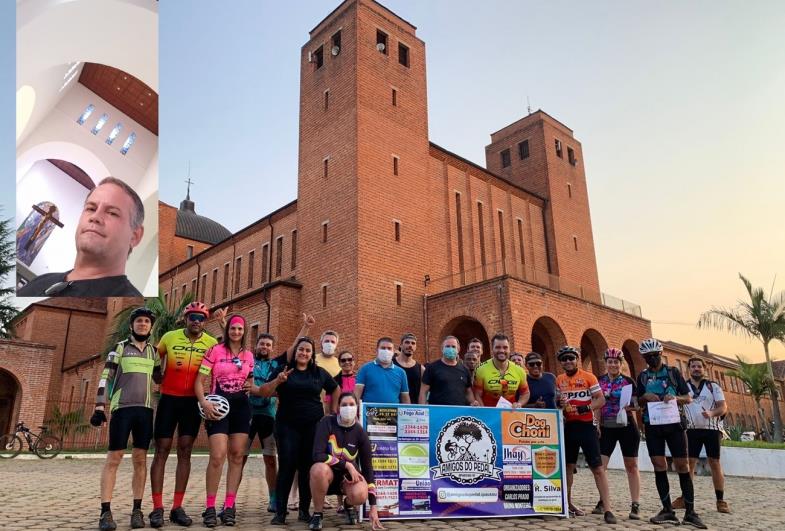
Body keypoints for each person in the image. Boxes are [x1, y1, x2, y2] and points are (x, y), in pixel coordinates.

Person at [90, 307, 160, 530]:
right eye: (139, 321)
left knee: (140, 459)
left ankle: (137, 510)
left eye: (146, 322)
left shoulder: (154, 352)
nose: (142, 324)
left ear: (150, 327)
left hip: (145, 410)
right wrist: (100, 407)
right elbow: (105, 377)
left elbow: (160, 378)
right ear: (132, 325)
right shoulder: (119, 348)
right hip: (122, 409)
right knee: (114, 458)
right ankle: (105, 512)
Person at [258, 337, 340, 525]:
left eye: (308, 351)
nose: (303, 353)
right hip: (287, 425)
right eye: (300, 349)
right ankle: (280, 512)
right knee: (287, 465)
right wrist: (278, 381)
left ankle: (304, 510)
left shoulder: (319, 373)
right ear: (295, 352)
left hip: (313, 426)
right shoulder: (284, 370)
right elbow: (264, 391)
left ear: (312, 355)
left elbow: (335, 390)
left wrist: (331, 412)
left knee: (306, 468)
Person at [149, 301, 217, 528]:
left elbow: (218, 373)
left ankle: (177, 507)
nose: (196, 321)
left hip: (192, 403)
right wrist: (157, 371)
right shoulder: (169, 337)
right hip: (169, 399)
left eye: (201, 318)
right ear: (185, 319)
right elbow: (152, 359)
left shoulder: (211, 342)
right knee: (162, 449)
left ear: (205, 322)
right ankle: (157, 508)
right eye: (193, 317)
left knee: (185, 450)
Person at [17, 177, 145, 296]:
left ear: (135, 236)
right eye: (91, 208)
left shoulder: (132, 303)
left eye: (112, 213)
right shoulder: (41, 281)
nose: (95, 217)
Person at [636, 339, 706, 528]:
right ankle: (667, 510)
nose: (652, 359)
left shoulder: (673, 373)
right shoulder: (642, 377)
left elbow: (688, 398)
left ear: (661, 354)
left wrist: (675, 398)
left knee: (682, 465)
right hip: (653, 424)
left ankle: (690, 511)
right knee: (658, 464)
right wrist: (644, 398)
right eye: (648, 357)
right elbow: (637, 401)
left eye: (655, 355)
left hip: (674, 424)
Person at [195, 315, 256, 527]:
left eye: (240, 329)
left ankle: (229, 506)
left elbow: (250, 379)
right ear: (227, 329)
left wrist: (251, 385)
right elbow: (199, 381)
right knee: (217, 456)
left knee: (237, 456)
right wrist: (203, 402)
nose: (236, 332)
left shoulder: (249, 355)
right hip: (218, 407)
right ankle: (210, 507)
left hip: (241, 408)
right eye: (233, 328)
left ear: (244, 331)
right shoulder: (215, 350)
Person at [555, 345, 616, 524]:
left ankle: (608, 509)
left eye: (571, 358)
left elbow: (601, 399)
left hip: (587, 427)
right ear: (561, 362)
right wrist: (560, 403)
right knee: (568, 468)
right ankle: (566, 504)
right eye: (564, 359)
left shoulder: (589, 377)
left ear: (577, 359)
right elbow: (559, 403)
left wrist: (586, 407)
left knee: (597, 468)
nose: (568, 361)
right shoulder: (559, 380)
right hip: (569, 427)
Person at [308, 392, 384, 531]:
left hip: (348, 480)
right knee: (318, 469)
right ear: (337, 408)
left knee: (361, 493)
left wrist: (373, 507)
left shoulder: (360, 432)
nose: (348, 408)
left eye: (351, 404)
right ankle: (318, 513)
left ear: (357, 408)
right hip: (326, 476)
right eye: (344, 405)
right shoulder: (327, 423)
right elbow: (317, 455)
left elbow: (368, 469)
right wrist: (347, 464)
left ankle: (348, 505)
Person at [674, 357, 729, 513]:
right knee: (689, 463)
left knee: (714, 462)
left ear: (704, 369)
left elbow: (723, 407)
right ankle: (686, 498)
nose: (696, 369)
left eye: (699, 366)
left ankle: (720, 500)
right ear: (688, 369)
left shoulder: (713, 387)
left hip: (712, 429)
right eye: (693, 366)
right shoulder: (683, 387)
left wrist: (712, 413)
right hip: (692, 429)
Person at [593, 348, 641, 520]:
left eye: (616, 362)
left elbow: (637, 404)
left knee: (631, 466)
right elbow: (596, 404)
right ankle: (603, 500)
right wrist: (596, 424)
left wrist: (629, 406)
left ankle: (635, 504)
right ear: (606, 364)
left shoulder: (628, 381)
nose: (613, 365)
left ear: (621, 364)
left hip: (626, 426)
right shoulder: (598, 381)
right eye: (610, 362)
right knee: (601, 467)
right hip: (607, 427)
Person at [245, 333, 282, 514]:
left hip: (269, 416)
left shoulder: (276, 365)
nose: (264, 347)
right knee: (239, 458)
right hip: (247, 415)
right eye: (262, 344)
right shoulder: (248, 360)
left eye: (268, 344)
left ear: (272, 348)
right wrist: (265, 391)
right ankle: (230, 501)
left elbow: (278, 390)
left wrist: (258, 390)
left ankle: (273, 498)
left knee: (270, 459)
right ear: (256, 345)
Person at [473, 333, 530, 407]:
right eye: (498, 347)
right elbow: (477, 394)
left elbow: (525, 393)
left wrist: (519, 403)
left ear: (509, 349)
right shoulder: (481, 369)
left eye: (505, 347)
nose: (502, 350)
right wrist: (484, 411)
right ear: (492, 349)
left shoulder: (519, 370)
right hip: (489, 415)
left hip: (510, 414)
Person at [419, 336, 478, 406]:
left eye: (453, 347)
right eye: (447, 346)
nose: (450, 349)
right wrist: (423, 409)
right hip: (438, 412)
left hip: (459, 414)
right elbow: (423, 392)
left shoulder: (465, 370)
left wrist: (473, 403)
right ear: (442, 349)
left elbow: (468, 392)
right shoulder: (432, 368)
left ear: (458, 350)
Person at [355, 337, 411, 405]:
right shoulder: (365, 369)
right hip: (370, 413)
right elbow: (356, 395)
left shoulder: (401, 373)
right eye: (383, 348)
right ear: (377, 350)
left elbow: (405, 398)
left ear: (393, 352)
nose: (386, 350)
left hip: (393, 413)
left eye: (389, 348)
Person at [393, 332, 424, 404]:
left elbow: (423, 393)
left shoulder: (421, 369)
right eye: (407, 342)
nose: (410, 345)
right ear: (401, 345)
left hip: (414, 411)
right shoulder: (391, 364)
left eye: (413, 343)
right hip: (394, 408)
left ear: (416, 347)